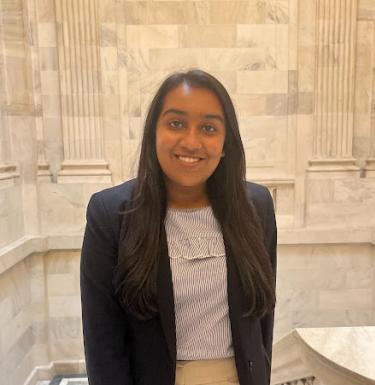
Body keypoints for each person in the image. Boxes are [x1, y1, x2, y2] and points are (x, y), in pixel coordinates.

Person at [80, 69, 277, 385]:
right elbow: (102, 342)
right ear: (153, 133)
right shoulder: (109, 214)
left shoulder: (257, 206)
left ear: (225, 143)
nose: (191, 141)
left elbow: (262, 320)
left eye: (209, 128)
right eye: (176, 123)